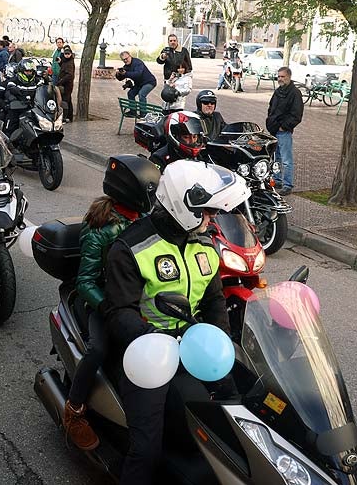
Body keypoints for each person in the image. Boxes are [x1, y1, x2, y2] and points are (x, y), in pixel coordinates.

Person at [104, 161, 245, 484]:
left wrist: (221, 346)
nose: (211, 220)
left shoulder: (204, 243)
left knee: (238, 409)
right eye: (206, 212)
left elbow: (213, 302)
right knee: (146, 449)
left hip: (194, 346)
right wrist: (153, 339)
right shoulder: (131, 248)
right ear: (184, 207)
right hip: (148, 353)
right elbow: (119, 313)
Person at [63, 155, 159, 451]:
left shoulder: (144, 219)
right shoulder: (99, 228)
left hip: (136, 295)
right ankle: (74, 410)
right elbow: (85, 282)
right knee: (98, 350)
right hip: (105, 301)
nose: (152, 196)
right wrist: (106, 307)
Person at [265, 67, 304, 196]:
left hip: (284, 131)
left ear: (289, 77)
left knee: (287, 160)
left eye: (283, 76)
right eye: (279, 76)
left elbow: (297, 114)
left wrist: (284, 127)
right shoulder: (278, 91)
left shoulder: (295, 93)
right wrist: (270, 121)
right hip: (274, 129)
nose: (280, 79)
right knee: (276, 157)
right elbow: (271, 107)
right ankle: (277, 180)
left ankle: (288, 184)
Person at [1, 58, 41, 136]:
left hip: (33, 107)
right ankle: (8, 140)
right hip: (18, 107)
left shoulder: (37, 81)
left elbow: (43, 90)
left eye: (30, 71)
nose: (29, 73)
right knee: (12, 122)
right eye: (27, 71)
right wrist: (13, 99)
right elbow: (9, 91)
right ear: (21, 71)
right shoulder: (14, 80)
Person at [54, 46, 76, 123]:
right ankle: (69, 117)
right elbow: (64, 68)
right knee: (68, 100)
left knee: (65, 101)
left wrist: (61, 81)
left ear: (71, 54)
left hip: (67, 85)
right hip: (65, 84)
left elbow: (69, 75)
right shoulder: (66, 61)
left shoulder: (70, 62)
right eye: (65, 54)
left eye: (68, 54)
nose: (66, 55)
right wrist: (60, 62)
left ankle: (65, 118)